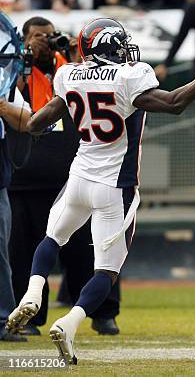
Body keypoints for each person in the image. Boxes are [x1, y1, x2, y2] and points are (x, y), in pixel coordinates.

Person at [5, 17, 195, 365]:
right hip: (114, 187)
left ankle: (33, 292)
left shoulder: (69, 75)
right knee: (107, 271)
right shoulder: (129, 76)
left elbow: (36, 124)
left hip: (78, 176)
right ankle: (70, 322)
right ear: (108, 46)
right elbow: (174, 102)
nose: (127, 51)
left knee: (52, 239)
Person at [8, 17, 119, 337]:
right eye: (36, 37)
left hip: (74, 173)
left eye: (49, 36)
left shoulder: (71, 68)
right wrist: (25, 59)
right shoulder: (17, 69)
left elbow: (94, 87)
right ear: (24, 40)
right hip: (25, 178)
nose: (45, 42)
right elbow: (11, 97)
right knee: (24, 252)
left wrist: (76, 56)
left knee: (90, 247)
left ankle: (103, 312)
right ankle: (28, 316)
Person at [0, 19, 32, 342]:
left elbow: (28, 121)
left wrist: (4, 108)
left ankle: (1, 320)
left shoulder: (2, 78)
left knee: (0, 252)